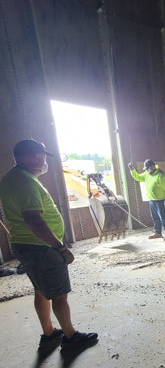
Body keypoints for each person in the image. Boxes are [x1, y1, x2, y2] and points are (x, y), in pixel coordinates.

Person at [0, 139, 98, 351]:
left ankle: (49, 333)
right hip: (41, 247)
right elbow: (34, 221)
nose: (44, 160)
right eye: (43, 156)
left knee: (41, 290)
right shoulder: (25, 183)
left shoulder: (12, 178)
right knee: (59, 294)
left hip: (25, 244)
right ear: (36, 157)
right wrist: (59, 247)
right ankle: (71, 338)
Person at [128, 159, 165, 240]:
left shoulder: (161, 175)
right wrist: (132, 170)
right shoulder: (147, 174)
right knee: (155, 217)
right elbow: (138, 178)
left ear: (152, 167)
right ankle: (157, 232)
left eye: (147, 168)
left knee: (163, 217)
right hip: (152, 200)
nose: (146, 170)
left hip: (161, 200)